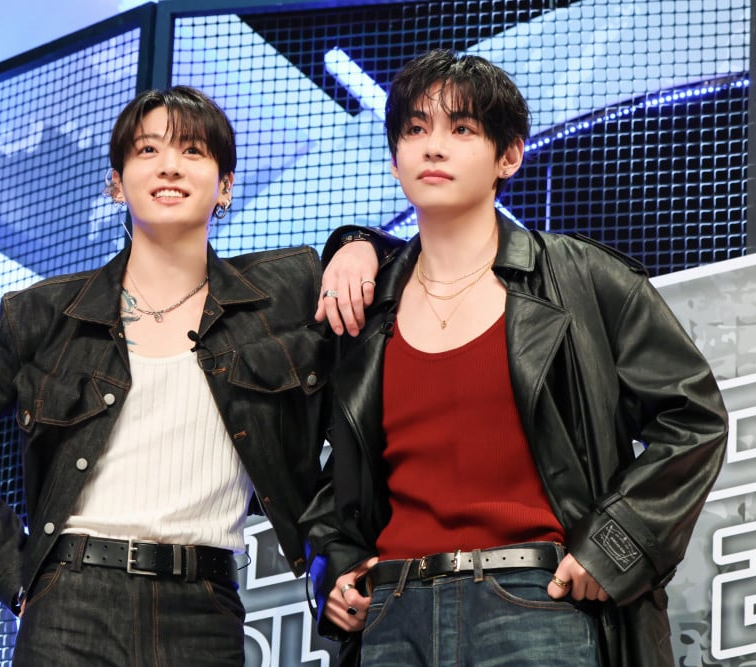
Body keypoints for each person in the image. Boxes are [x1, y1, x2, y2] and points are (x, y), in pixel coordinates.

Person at [0, 86, 378, 665]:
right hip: (70, 608)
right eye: (148, 150)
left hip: (204, 609)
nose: (169, 166)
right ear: (116, 182)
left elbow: (368, 403)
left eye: (193, 151)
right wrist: (12, 568)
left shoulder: (284, 294)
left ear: (225, 186)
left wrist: (359, 244)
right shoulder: (44, 314)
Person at [304, 49, 728, 667]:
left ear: (510, 155)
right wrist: (335, 567)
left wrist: (612, 548)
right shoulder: (364, 308)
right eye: (415, 129)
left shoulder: (582, 279)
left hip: (537, 606)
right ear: (395, 158)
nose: (434, 147)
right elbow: (333, 469)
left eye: (462, 129)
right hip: (394, 614)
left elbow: (692, 418)